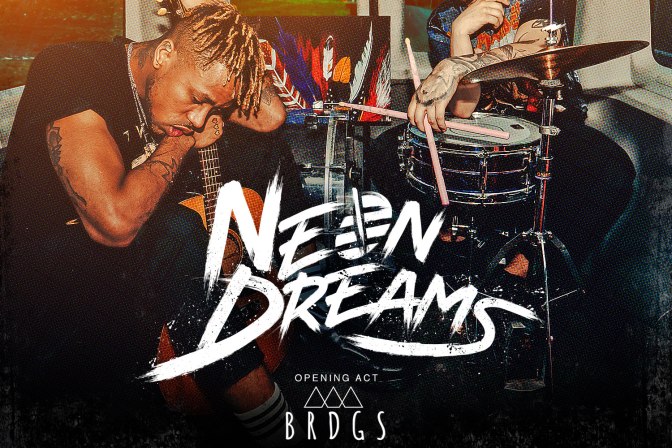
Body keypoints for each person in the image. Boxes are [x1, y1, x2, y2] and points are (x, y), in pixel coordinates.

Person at [1, 1, 303, 446]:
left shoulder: (184, 70)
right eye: (196, 99)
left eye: (212, 107)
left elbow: (272, 115)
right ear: (163, 54)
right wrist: (182, 140)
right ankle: (268, 415)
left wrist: (214, 21)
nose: (200, 117)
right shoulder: (71, 68)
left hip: (115, 277)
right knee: (175, 230)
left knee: (261, 159)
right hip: (32, 282)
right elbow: (114, 223)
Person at [369, 0, 635, 278]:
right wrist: (460, 33)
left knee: (612, 169)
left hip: (546, 123)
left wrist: (453, 66)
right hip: (482, 125)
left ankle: (520, 271)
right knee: (388, 151)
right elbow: (463, 108)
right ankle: (447, 257)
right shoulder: (444, 19)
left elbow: (537, 49)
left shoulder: (539, 3)